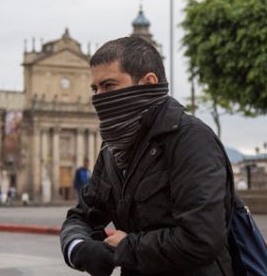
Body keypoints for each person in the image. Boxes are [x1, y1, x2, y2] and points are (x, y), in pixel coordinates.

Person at [60, 36, 233, 276]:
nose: (99, 98)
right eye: (95, 88)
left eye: (109, 86)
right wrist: (77, 247)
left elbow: (201, 238)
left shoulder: (191, 139)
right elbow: (82, 215)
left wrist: (126, 248)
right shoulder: (113, 149)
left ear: (148, 83)